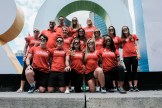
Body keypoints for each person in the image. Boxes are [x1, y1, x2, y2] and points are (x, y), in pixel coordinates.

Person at [16, 28, 40, 93]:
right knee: (24, 71)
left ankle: (33, 87)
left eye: (37, 31)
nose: (35, 32)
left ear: (39, 33)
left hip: (36, 58)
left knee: (35, 72)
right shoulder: (29, 38)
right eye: (34, 31)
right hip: (28, 57)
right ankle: (21, 88)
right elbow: (25, 47)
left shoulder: (41, 40)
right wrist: (24, 55)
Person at [121, 26, 140, 92]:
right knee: (128, 71)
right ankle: (131, 86)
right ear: (122, 31)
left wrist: (138, 54)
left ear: (128, 29)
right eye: (123, 29)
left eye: (126, 29)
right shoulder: (122, 39)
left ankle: (135, 86)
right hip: (126, 56)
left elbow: (137, 45)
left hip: (134, 55)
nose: (125, 30)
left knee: (135, 70)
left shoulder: (133, 36)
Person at [107, 26, 122, 91]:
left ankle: (119, 86)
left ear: (114, 30)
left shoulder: (117, 38)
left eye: (112, 29)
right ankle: (114, 86)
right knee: (111, 70)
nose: (111, 30)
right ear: (108, 31)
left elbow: (121, 46)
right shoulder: (107, 38)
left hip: (116, 55)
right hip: (109, 55)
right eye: (110, 29)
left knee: (118, 70)